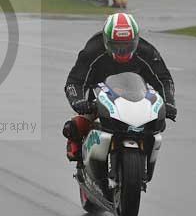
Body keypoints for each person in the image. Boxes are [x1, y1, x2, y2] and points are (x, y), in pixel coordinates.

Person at [61, 13, 176, 173]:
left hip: (137, 97)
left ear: (136, 40)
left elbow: (164, 79)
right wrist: (79, 101)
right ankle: (82, 158)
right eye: (116, 45)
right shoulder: (92, 50)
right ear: (106, 40)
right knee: (74, 127)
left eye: (128, 45)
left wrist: (169, 102)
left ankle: (146, 162)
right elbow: (74, 81)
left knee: (158, 124)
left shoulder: (147, 51)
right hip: (100, 97)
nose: (122, 50)